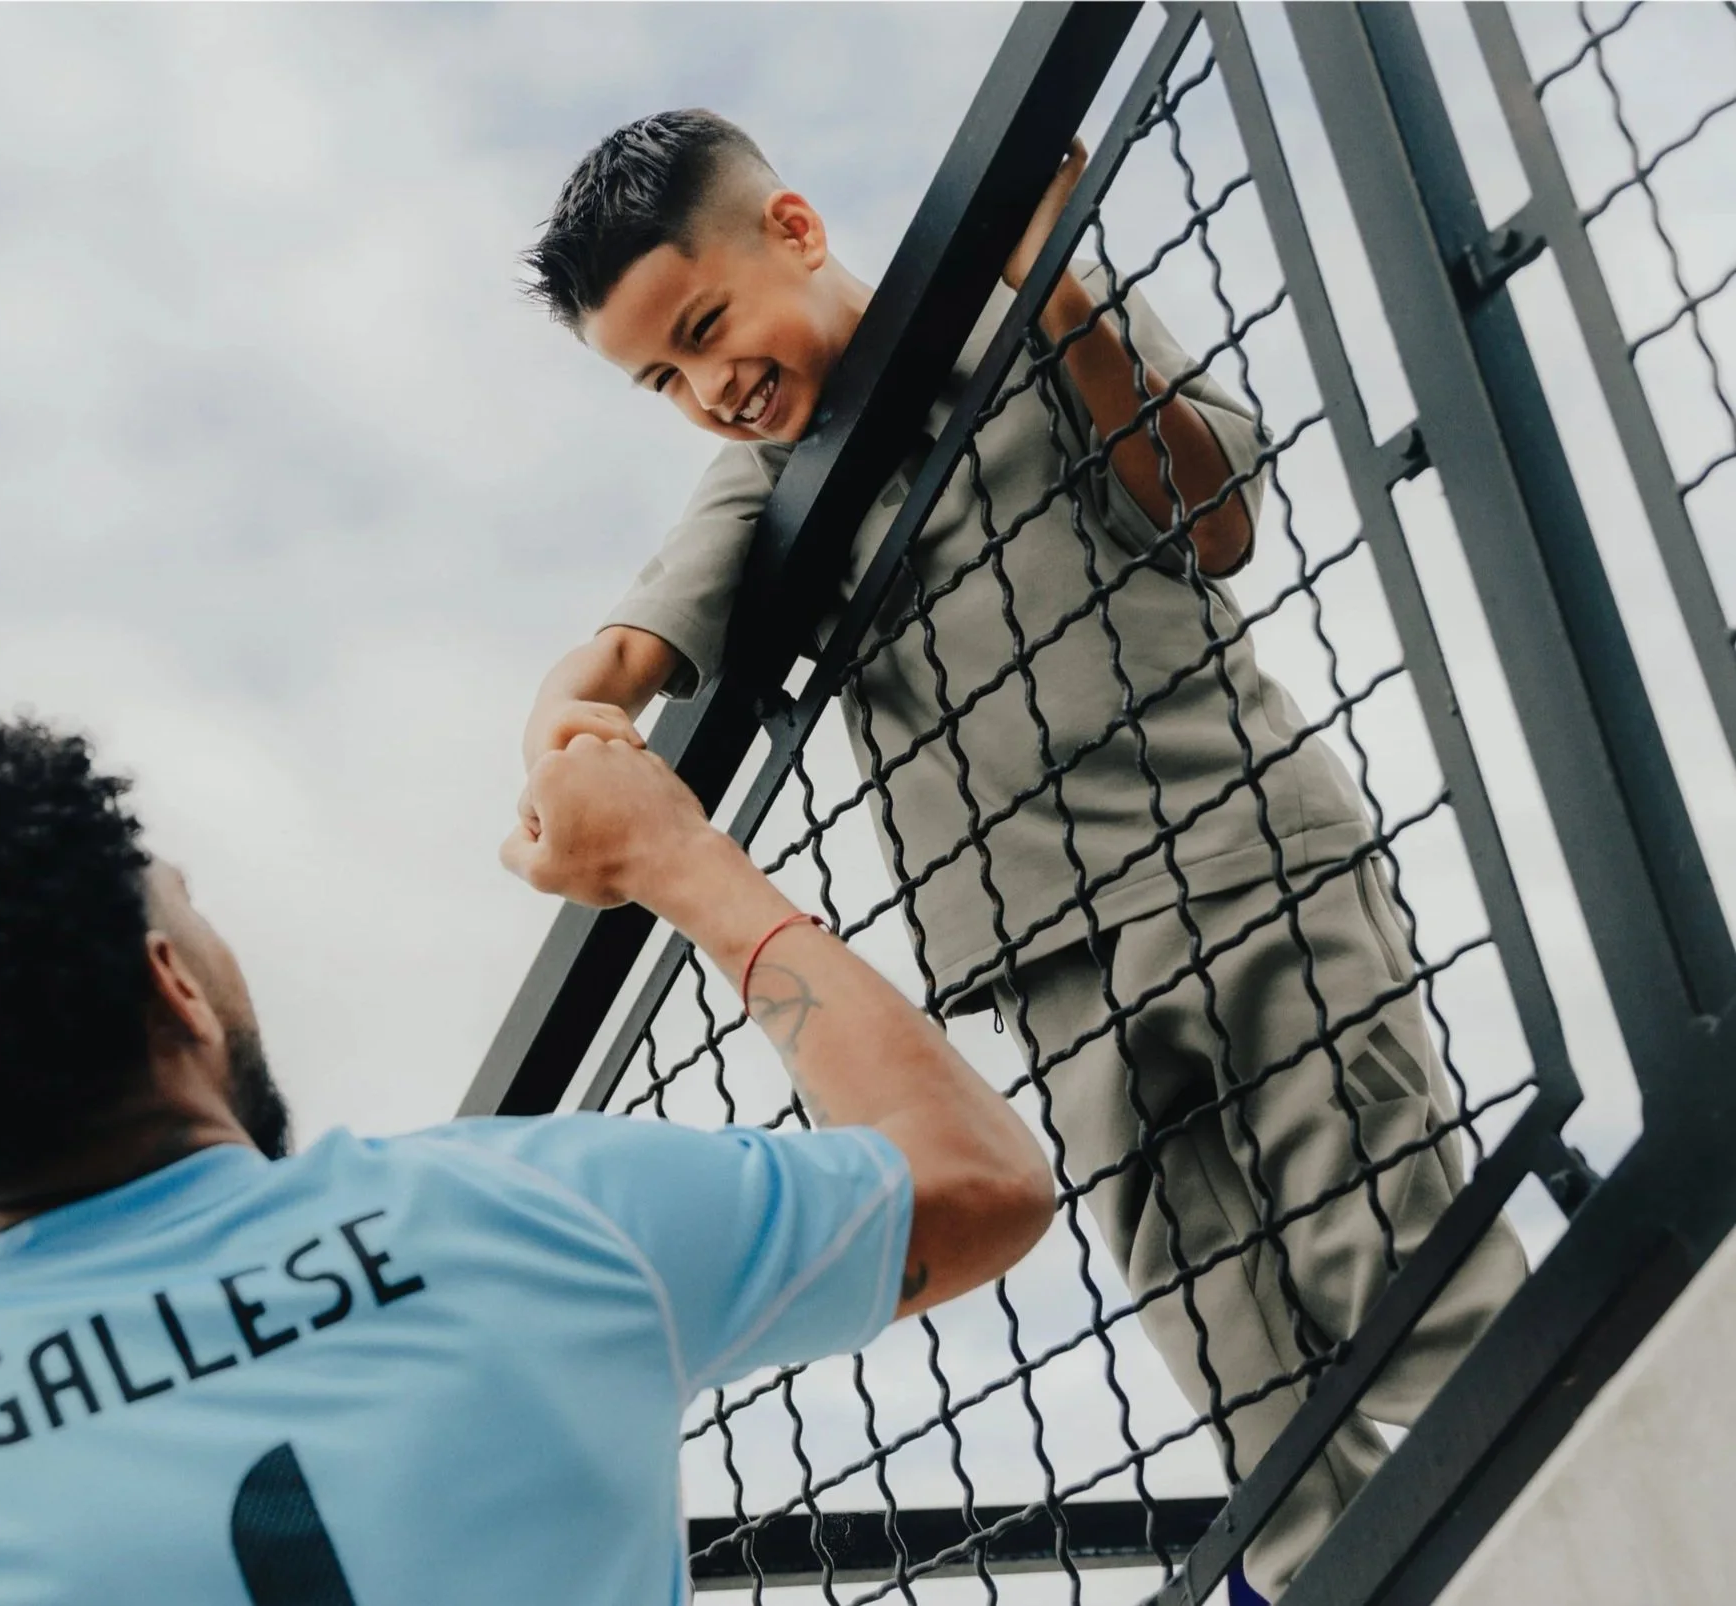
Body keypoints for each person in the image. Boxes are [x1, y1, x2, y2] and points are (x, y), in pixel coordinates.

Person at [515, 110, 1528, 1598]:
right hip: (1046, 963)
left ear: (793, 231)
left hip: (1232, 847)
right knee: (1234, 1360)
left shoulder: (1028, 315)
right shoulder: (766, 485)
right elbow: (623, 651)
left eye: (706, 328)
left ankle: (1604, 1449)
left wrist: (1060, 294)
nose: (708, 389)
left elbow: (1213, 518)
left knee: (1375, 1245)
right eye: (662, 379)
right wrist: (567, 722)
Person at [0, 718, 1052, 1604]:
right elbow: (975, 1178)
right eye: (191, 917)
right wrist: (681, 860)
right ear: (174, 984)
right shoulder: (535, 1208)